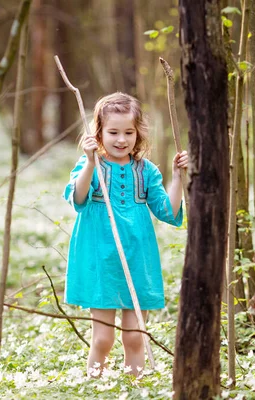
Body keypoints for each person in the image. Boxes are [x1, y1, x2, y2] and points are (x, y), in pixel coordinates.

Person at [62, 92, 188, 378]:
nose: (121, 140)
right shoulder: (89, 166)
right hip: (100, 259)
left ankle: (136, 386)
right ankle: (96, 386)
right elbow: (78, 200)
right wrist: (91, 162)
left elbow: (168, 211)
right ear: (98, 133)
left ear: (138, 133)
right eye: (113, 132)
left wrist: (178, 178)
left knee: (135, 337)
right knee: (103, 339)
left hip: (137, 257)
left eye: (128, 132)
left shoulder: (146, 171)